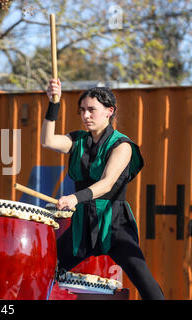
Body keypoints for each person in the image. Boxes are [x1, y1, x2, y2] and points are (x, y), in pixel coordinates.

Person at [41, 79, 164, 300]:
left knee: (144, 282)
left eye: (91, 110)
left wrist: (75, 198)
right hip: (83, 224)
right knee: (46, 269)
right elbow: (47, 140)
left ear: (109, 111)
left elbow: (107, 183)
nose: (85, 115)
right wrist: (53, 103)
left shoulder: (122, 145)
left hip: (114, 223)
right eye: (82, 110)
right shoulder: (77, 140)